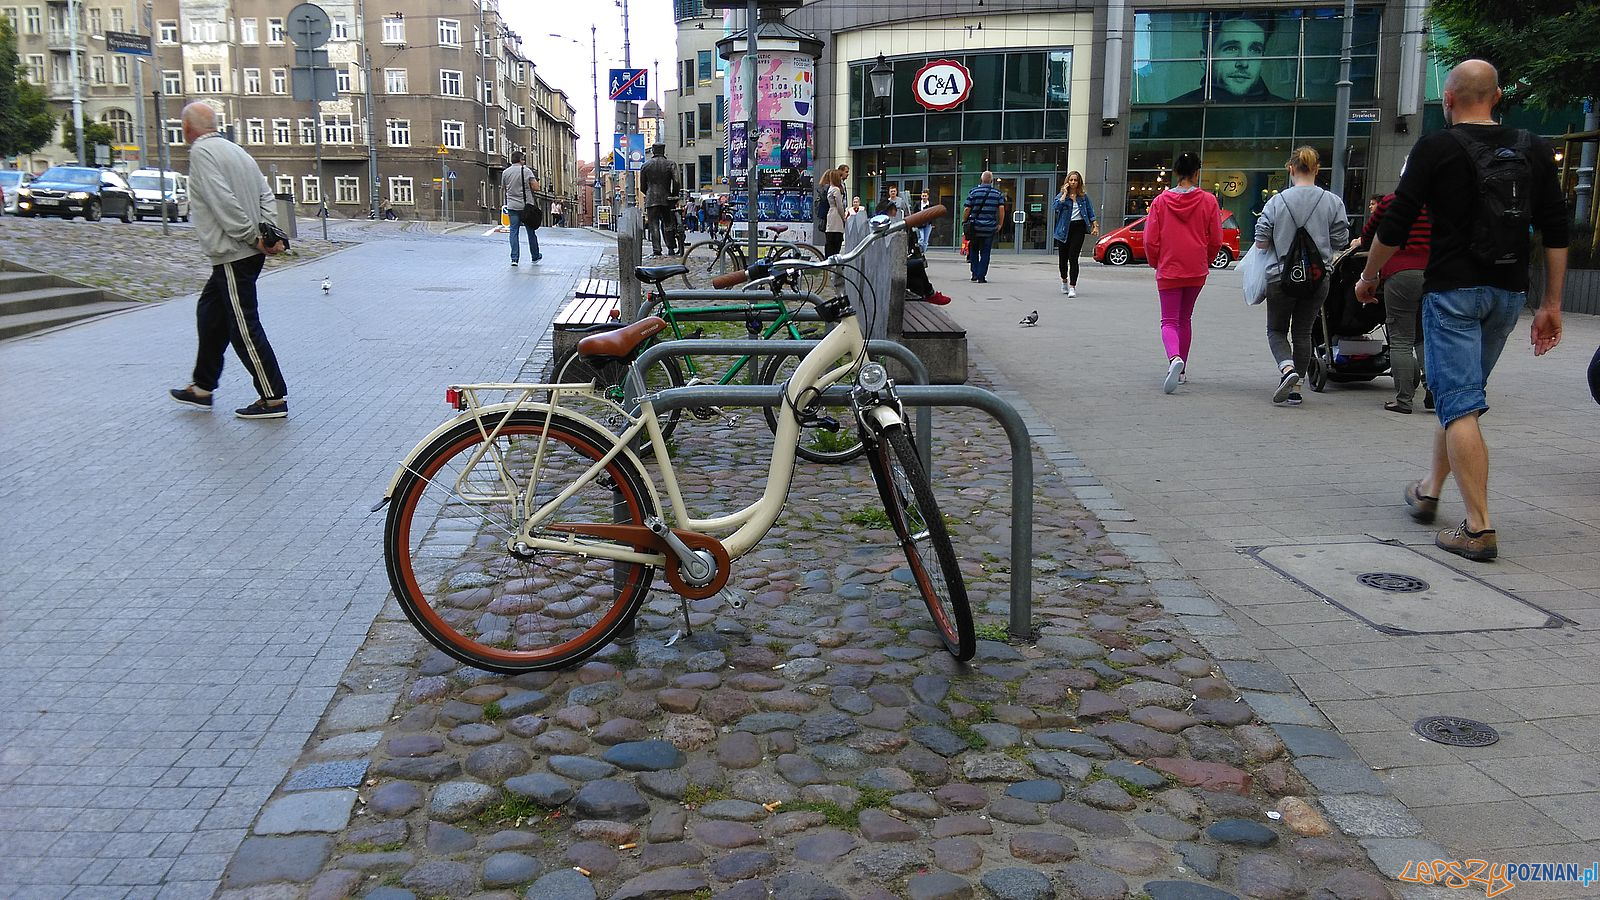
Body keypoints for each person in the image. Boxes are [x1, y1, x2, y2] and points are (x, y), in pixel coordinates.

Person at [1355, 59, 1568, 562]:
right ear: (1496, 98)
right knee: (1458, 393)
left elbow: (1396, 223)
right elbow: (1555, 230)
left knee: (1461, 403)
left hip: (1453, 290)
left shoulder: (1436, 146)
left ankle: (1478, 528)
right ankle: (1429, 489)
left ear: (1447, 100)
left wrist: (1368, 278)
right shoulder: (1534, 148)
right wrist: (1552, 305)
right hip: (1508, 293)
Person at [167, 101, 289, 420]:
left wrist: (254, 237)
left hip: (235, 252)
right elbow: (266, 195)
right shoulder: (237, 151)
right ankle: (202, 387)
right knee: (210, 313)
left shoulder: (202, 153)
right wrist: (268, 232)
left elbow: (223, 201)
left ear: (187, 129)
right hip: (242, 251)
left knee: (243, 326)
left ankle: (273, 397)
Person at [1255, 146, 1348, 406]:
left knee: (1276, 330)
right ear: (1317, 169)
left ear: (1290, 168)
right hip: (1318, 279)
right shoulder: (1332, 201)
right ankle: (1295, 388)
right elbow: (1341, 240)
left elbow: (1261, 240)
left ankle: (1287, 370)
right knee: (1303, 332)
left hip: (1281, 277)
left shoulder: (1277, 201)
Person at [1144, 152, 1222, 394]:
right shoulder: (1209, 201)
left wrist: (1156, 262)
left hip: (1169, 268)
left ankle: (1174, 358)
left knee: (1168, 320)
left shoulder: (1160, 202)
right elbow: (1217, 239)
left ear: (1176, 173)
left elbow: (1150, 239)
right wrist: (1205, 260)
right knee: (1185, 319)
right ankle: (1183, 368)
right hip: (1195, 269)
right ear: (1197, 172)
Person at [1357, 190, 1431, 414]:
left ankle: (1404, 400)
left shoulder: (1391, 201)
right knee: (1426, 336)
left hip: (1399, 273)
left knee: (1400, 338)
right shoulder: (1440, 200)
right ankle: (1434, 392)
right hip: (1433, 274)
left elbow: (1369, 235)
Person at [1176, 14, 1286, 103]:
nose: (1243, 63)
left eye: (1254, 50)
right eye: (1232, 48)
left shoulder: (1285, 113)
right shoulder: (1176, 111)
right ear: (1205, 59)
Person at [1051, 171, 1099, 296]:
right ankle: (1064, 280)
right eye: (1071, 180)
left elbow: (1090, 211)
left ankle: (1072, 286)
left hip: (1078, 228)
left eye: (1075, 180)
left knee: (1073, 257)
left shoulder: (1083, 197)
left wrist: (1095, 225)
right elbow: (1056, 207)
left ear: (1079, 182)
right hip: (1063, 229)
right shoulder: (1062, 195)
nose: (1073, 182)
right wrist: (1064, 194)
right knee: (1063, 259)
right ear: (1067, 181)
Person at [963, 171, 1006, 284]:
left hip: (975, 227)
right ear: (991, 181)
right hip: (989, 228)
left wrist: (964, 221)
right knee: (985, 253)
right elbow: (1001, 210)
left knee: (974, 251)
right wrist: (1000, 224)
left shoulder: (973, 192)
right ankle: (981, 276)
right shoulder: (997, 194)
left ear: (981, 180)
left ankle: (974, 273)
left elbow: (967, 209)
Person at [640, 142, 680, 257]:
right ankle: (671, 248)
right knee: (668, 223)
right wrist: (673, 195)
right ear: (663, 150)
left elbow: (643, 186)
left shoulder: (646, 165)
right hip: (667, 198)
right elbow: (676, 182)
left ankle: (657, 250)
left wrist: (649, 193)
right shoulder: (670, 164)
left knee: (653, 224)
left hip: (651, 199)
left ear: (653, 150)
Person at [502, 150, 541, 266]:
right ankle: (535, 256)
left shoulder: (505, 172)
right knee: (530, 232)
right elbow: (536, 188)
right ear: (520, 160)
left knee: (513, 232)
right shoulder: (526, 171)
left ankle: (514, 258)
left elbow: (504, 188)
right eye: (523, 159)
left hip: (512, 206)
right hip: (526, 207)